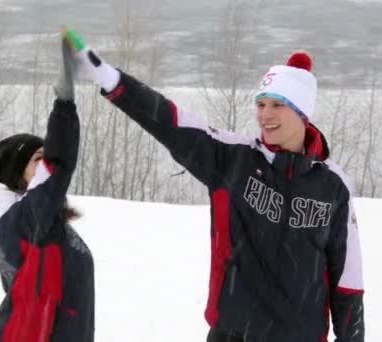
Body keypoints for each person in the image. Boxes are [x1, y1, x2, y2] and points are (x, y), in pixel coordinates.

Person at [64, 28, 365, 341]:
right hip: (233, 333)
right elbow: (171, 122)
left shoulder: (332, 185)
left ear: (303, 114)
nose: (265, 115)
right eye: (260, 104)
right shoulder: (234, 159)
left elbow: (347, 277)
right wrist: (111, 80)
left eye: (278, 105)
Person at [0, 35, 94, 342]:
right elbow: (60, 162)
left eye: (47, 156)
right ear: (19, 177)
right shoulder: (23, 219)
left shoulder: (41, 220)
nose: (46, 164)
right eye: (37, 159)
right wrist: (64, 102)